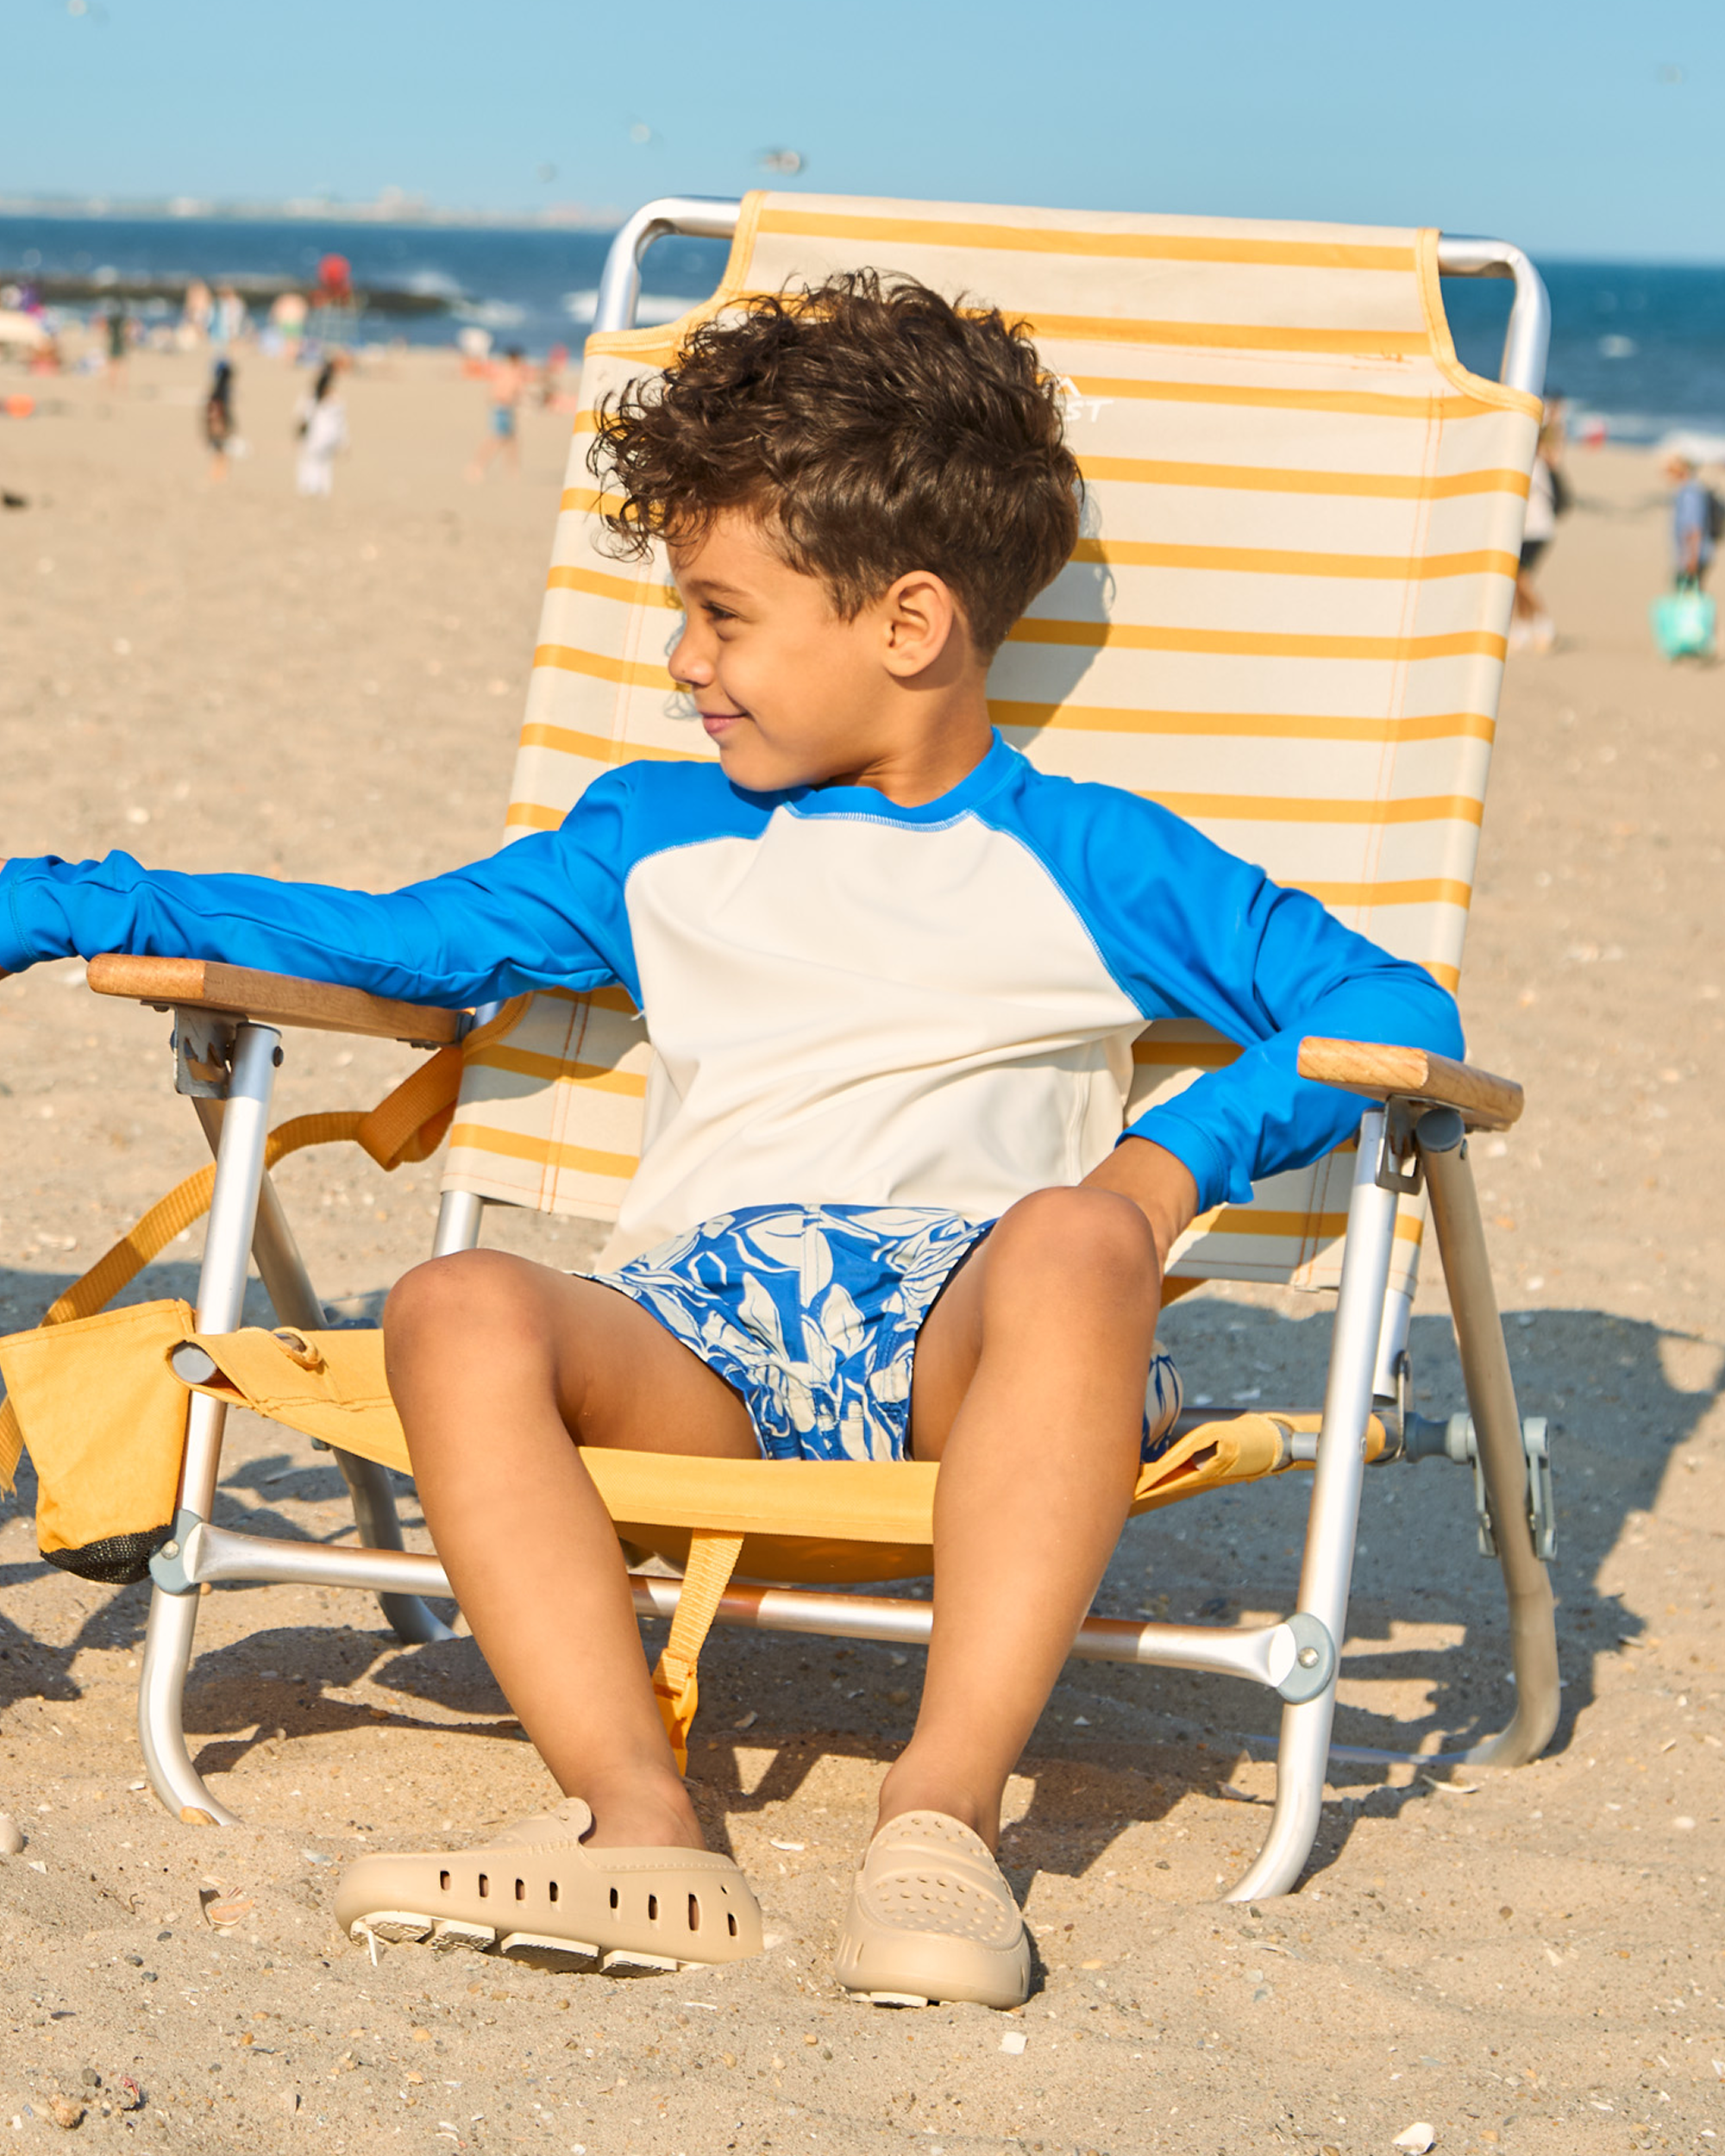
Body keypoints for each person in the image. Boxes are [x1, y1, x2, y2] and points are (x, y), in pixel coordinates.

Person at [0, 274, 1462, 2009]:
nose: (684, 660)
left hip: (976, 1335)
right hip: (696, 1333)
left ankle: (939, 1816)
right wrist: (63, 901)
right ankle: (639, 1824)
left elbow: (1392, 1008)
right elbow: (400, 942)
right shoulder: (654, 835)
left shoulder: (1091, 857)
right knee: (458, 1301)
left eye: (721, 614)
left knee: (1082, 1237)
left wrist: (1155, 1174)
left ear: (908, 623)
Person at [1510, 411, 1567, 654]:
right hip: (1528, 531)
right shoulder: (1537, 462)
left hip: (1536, 531)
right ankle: (1523, 628)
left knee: (1521, 581)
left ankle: (1544, 626)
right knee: (1518, 582)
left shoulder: (1534, 465)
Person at [467, 344, 527, 479]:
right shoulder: (512, 373)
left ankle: (512, 469)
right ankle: (477, 466)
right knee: (496, 440)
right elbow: (513, 391)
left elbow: (494, 392)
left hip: (502, 408)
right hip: (503, 409)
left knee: (512, 440)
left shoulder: (504, 371)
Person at [293, 357, 348, 497]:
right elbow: (341, 424)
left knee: (311, 461)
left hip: (317, 436)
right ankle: (321, 489)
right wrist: (344, 442)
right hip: (326, 436)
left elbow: (301, 415)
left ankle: (310, 487)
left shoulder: (312, 398)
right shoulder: (334, 400)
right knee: (323, 463)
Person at [1666, 452, 1717, 590]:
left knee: (1688, 596)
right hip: (1692, 556)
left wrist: (1692, 560)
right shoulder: (1689, 490)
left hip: (1693, 558)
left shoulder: (1691, 492)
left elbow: (1694, 528)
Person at [203, 357, 235, 483]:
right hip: (220, 421)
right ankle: (218, 472)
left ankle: (219, 472)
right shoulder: (223, 389)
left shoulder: (221, 388)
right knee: (220, 448)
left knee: (219, 448)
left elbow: (215, 407)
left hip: (219, 421)